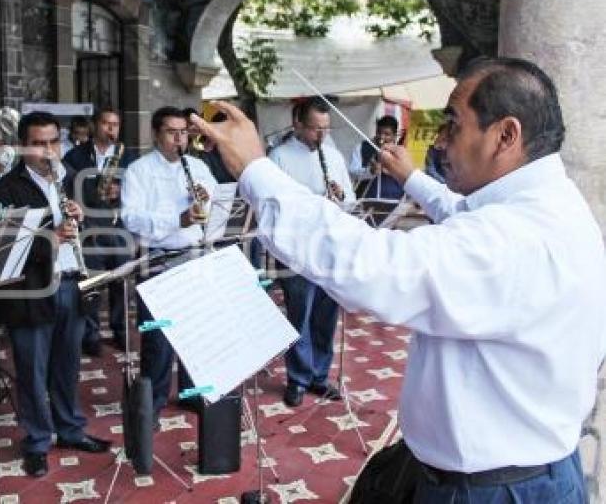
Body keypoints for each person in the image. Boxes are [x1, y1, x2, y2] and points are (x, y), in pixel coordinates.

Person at [192, 57, 605, 503]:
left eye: (454, 124)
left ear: (506, 135)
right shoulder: (547, 204)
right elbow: (463, 216)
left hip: (493, 492)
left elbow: (369, 265)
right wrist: (412, 179)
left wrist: (255, 170)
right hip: (521, 472)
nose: (443, 141)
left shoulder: (513, 240)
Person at [0, 111, 110, 478]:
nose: (48, 151)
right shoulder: (3, 190)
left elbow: (88, 227)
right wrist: (50, 240)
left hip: (70, 283)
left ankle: (70, 429)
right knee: (32, 371)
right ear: (23, 147)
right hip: (29, 292)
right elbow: (0, 249)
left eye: (54, 141)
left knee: (67, 365)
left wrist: (80, 217)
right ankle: (38, 440)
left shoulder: (69, 178)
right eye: (38, 144)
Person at [121, 106, 218, 424]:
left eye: (184, 133)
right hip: (158, 257)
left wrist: (206, 200)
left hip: (194, 255)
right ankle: (155, 400)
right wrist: (178, 218)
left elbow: (217, 205)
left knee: (195, 332)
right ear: (156, 134)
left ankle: (191, 394)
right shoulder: (138, 171)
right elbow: (131, 218)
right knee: (159, 339)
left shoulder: (198, 167)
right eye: (172, 132)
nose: (179, 139)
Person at [268, 97, 354, 406]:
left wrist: (341, 198)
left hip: (329, 250)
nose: (322, 136)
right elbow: (273, 208)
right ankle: (298, 378)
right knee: (298, 316)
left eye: (326, 129)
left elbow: (350, 203)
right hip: (298, 253)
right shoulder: (279, 157)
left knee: (325, 316)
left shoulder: (334, 156)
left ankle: (320, 375)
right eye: (316, 129)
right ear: (298, 124)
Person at [63, 106, 136, 354]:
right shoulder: (75, 156)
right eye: (106, 123)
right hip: (90, 227)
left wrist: (121, 190)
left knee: (121, 284)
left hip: (118, 227)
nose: (111, 129)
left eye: (115, 124)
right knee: (91, 283)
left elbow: (138, 189)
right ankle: (91, 335)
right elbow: (67, 187)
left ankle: (120, 330)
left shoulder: (128, 156)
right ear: (95, 126)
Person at [349, 115, 405, 200]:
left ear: (394, 135)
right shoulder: (362, 147)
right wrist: (369, 171)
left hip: (395, 201)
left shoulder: (400, 152)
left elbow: (406, 177)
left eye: (387, 134)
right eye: (379, 132)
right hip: (366, 201)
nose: (381, 137)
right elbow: (352, 173)